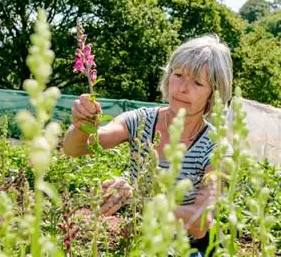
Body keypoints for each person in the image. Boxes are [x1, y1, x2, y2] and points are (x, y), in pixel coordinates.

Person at [62, 34, 233, 256]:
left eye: (197, 82)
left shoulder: (217, 149)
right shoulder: (140, 121)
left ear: (214, 94)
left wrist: (139, 199)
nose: (182, 88)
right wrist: (82, 125)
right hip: (139, 239)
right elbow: (75, 148)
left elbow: (201, 222)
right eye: (178, 74)